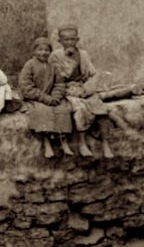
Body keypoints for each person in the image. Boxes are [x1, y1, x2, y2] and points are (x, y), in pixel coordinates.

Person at [48, 25, 114, 158]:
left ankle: (106, 143)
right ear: (60, 41)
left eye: (72, 39)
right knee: (80, 108)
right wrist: (67, 60)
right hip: (66, 90)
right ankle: (82, 143)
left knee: (101, 108)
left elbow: (93, 73)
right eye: (65, 40)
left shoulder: (83, 54)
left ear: (77, 40)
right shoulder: (55, 55)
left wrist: (87, 89)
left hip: (83, 88)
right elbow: (56, 78)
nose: (69, 43)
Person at [19, 37, 74, 158]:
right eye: (40, 50)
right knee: (42, 111)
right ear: (34, 51)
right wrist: (45, 98)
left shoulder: (53, 66)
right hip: (35, 98)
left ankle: (63, 142)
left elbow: (59, 83)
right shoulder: (29, 65)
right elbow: (26, 86)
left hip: (51, 98)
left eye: (46, 50)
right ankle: (47, 143)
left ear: (50, 52)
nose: (43, 52)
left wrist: (55, 97)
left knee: (63, 109)